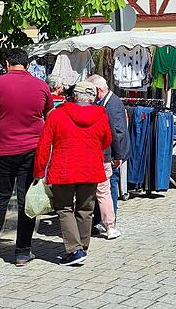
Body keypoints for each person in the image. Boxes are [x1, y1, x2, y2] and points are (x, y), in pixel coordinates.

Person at [0, 48, 53, 266]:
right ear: (26, 64)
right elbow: (51, 118)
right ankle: (23, 252)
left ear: (6, 64)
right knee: (27, 201)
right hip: (32, 150)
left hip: (3, 150)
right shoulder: (41, 86)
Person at [33, 81, 112, 266]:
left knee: (64, 208)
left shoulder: (57, 115)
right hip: (90, 168)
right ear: (93, 97)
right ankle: (82, 247)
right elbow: (107, 140)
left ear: (74, 95)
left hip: (64, 168)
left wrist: (38, 171)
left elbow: (44, 144)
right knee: (86, 210)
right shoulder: (101, 115)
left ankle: (75, 250)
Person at [87, 75, 130, 239]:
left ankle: (109, 222)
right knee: (103, 188)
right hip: (109, 154)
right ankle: (100, 220)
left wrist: (114, 155)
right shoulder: (105, 102)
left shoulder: (111, 104)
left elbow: (117, 132)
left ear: (98, 90)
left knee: (109, 187)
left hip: (111, 155)